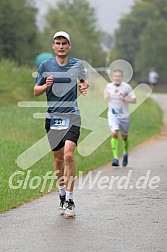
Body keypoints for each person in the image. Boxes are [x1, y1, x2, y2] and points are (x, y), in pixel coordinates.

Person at [34, 31, 88, 218]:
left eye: (64, 43)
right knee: (58, 160)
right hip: (53, 118)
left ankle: (71, 201)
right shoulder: (45, 65)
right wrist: (45, 86)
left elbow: (83, 81)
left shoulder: (77, 64)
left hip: (72, 116)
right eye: (58, 43)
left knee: (68, 156)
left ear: (69, 46)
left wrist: (83, 86)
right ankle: (62, 195)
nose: (61, 46)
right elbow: (35, 91)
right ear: (53, 46)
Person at [104, 70, 136, 167]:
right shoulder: (109, 86)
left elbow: (134, 100)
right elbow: (105, 96)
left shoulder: (127, 87)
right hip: (113, 115)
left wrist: (125, 99)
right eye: (115, 76)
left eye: (119, 76)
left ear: (122, 77)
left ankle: (125, 153)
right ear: (112, 77)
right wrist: (107, 95)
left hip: (124, 116)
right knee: (114, 132)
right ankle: (115, 158)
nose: (117, 78)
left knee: (124, 136)